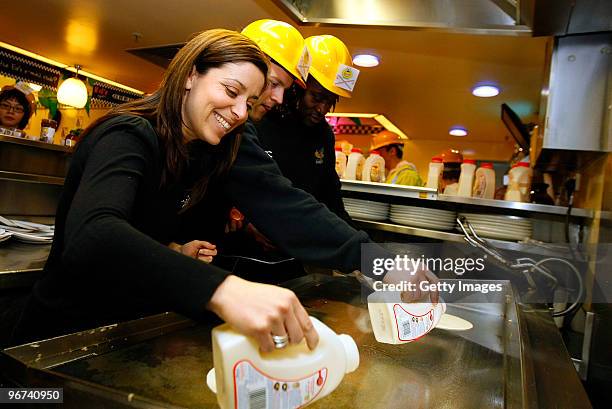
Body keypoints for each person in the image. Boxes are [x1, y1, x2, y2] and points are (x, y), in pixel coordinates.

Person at [9, 29, 319, 353]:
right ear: (189, 75)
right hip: (58, 340)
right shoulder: (128, 133)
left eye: (250, 103)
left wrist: (173, 250)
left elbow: (134, 231)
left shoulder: (197, 153)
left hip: (119, 337)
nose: (241, 112)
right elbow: (93, 234)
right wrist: (225, 290)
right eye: (231, 91)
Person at [255, 34, 358, 226]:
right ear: (297, 88)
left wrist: (364, 248)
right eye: (317, 97)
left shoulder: (323, 134)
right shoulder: (260, 119)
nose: (323, 109)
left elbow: (331, 198)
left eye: (330, 101)